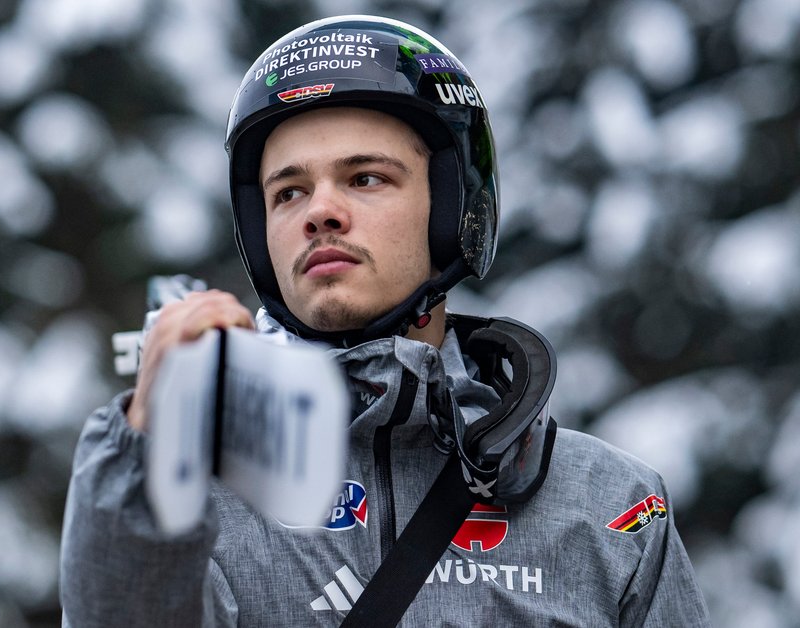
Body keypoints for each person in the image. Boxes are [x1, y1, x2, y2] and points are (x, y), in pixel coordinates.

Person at [60, 15, 710, 627]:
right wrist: (149, 454)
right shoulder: (191, 492)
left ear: (454, 208)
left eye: (366, 179)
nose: (321, 212)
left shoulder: (614, 506)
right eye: (289, 192)